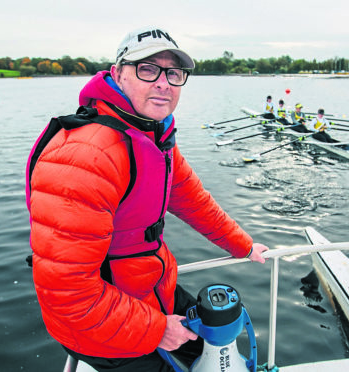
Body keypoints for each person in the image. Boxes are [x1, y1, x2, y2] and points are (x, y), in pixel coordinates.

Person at [25, 26, 269, 372]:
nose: (163, 83)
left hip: (148, 285)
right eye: (148, 69)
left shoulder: (152, 135)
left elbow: (193, 200)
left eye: (173, 72)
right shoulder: (86, 157)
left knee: (218, 339)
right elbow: (69, 294)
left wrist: (242, 245)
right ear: (117, 75)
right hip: (96, 325)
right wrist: (157, 329)